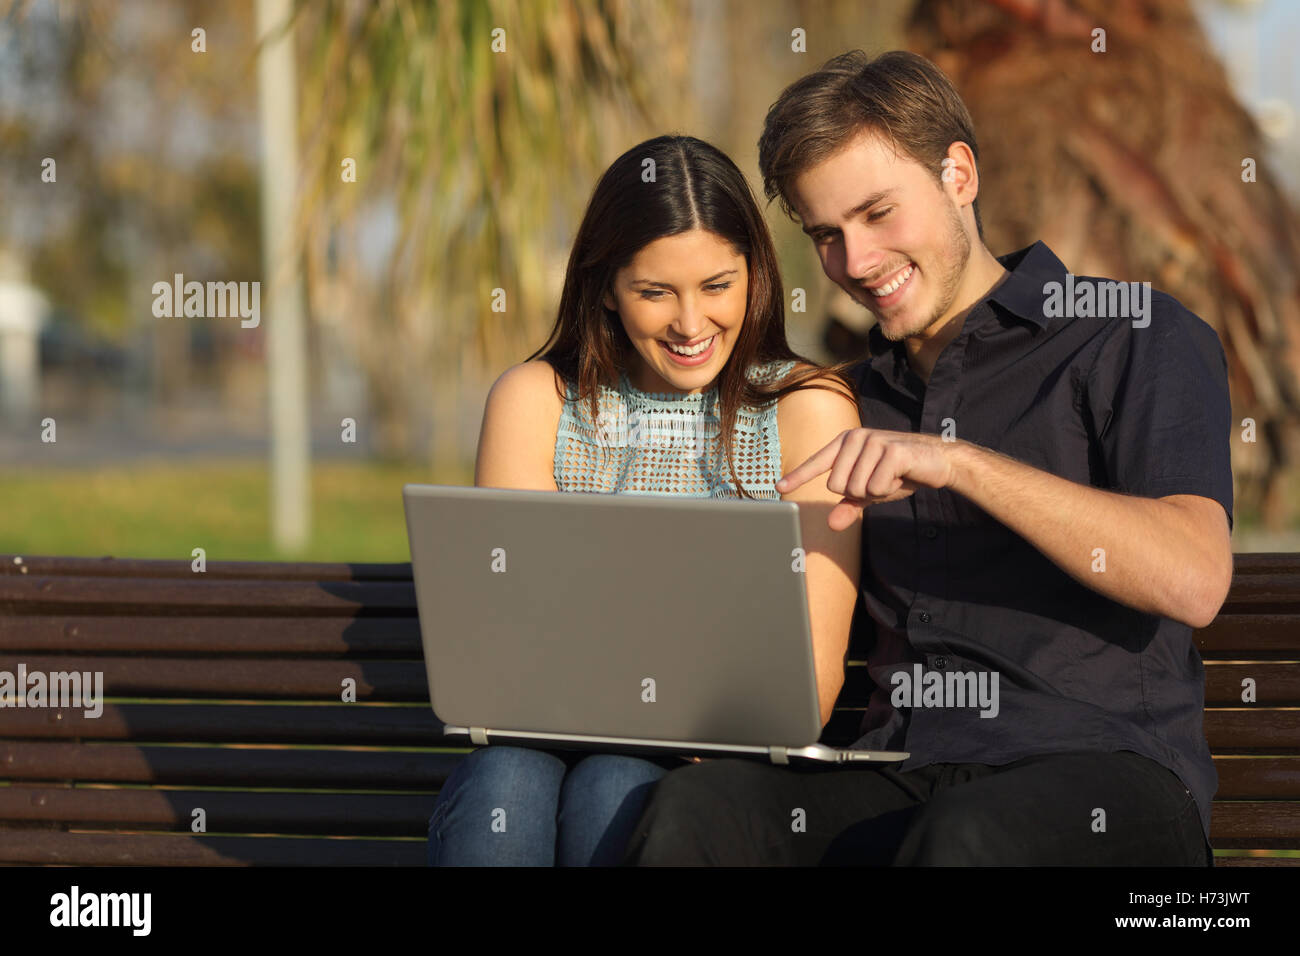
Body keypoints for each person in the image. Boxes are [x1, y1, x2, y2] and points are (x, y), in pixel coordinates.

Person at [620, 50, 1234, 867]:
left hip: (1107, 780)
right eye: (827, 236)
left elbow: (1193, 577)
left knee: (964, 840)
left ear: (959, 175)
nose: (858, 262)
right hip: (899, 772)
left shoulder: (1130, 336)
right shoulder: (839, 401)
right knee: (698, 811)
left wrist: (961, 464)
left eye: (878, 213)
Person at [427, 134, 863, 866]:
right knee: (508, 781)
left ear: (757, 276)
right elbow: (505, 658)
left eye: (716, 286)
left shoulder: (807, 408)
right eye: (655, 292)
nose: (691, 326)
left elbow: (808, 690)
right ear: (605, 287)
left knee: (615, 783)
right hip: (536, 745)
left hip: (707, 767)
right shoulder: (537, 400)